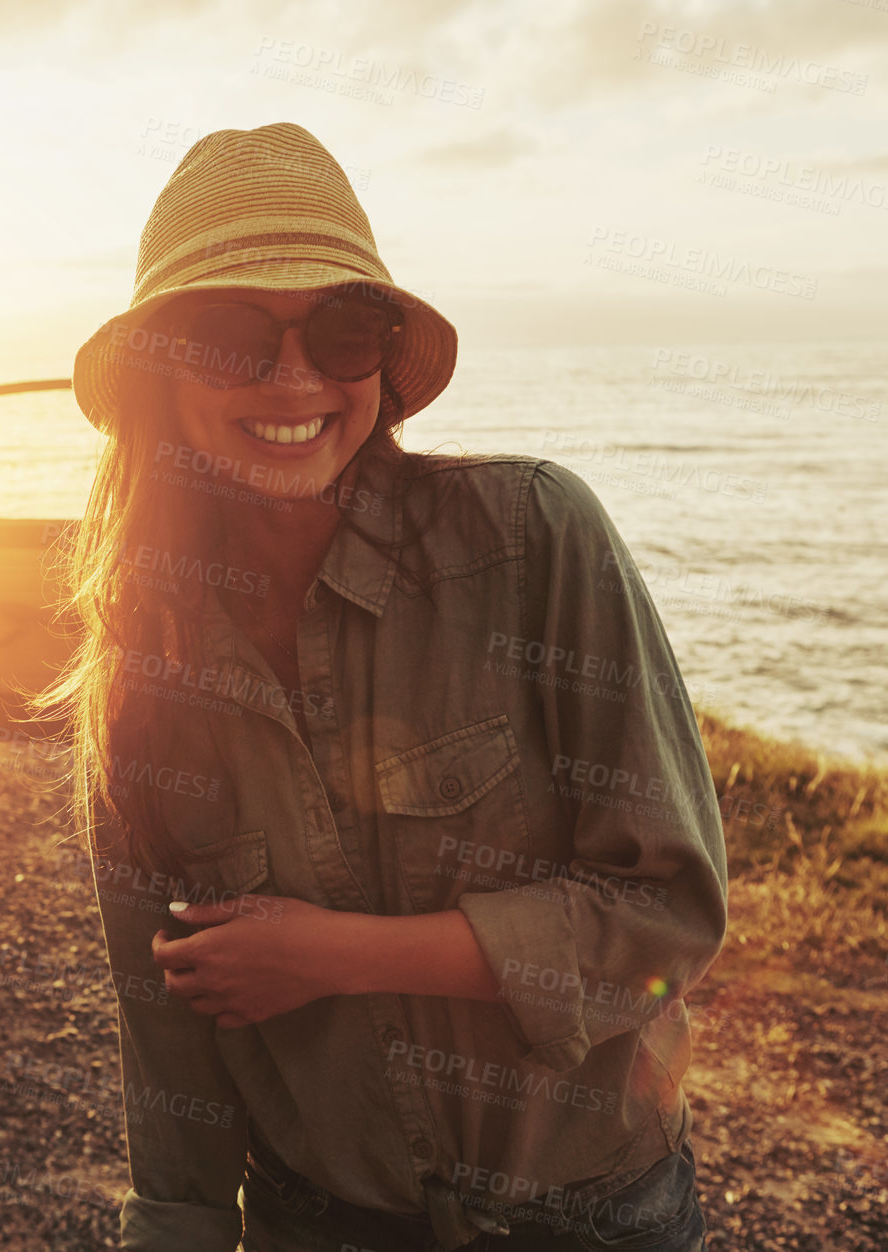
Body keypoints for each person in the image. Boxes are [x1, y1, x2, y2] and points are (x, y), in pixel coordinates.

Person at [43, 122, 729, 1251]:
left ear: (383, 356)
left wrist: (330, 953)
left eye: (342, 326)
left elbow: (668, 920)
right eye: (228, 337)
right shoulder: (141, 672)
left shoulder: (535, 542)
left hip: (593, 1221)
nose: (294, 376)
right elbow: (169, 1047)